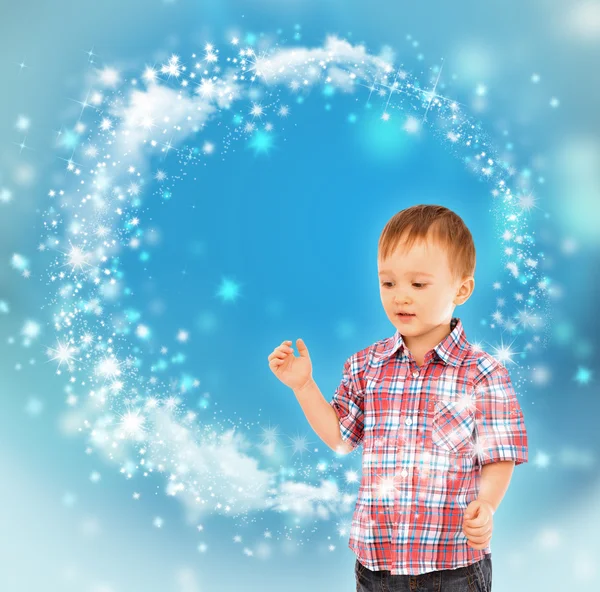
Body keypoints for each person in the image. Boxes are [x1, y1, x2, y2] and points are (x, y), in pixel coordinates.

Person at [267, 204, 528, 591]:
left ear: (462, 288)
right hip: (376, 569)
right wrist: (304, 386)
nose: (400, 296)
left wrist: (486, 505)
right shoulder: (366, 366)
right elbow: (341, 438)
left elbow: (499, 454)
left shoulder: (483, 373)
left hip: (452, 567)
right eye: (388, 283)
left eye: (418, 285)